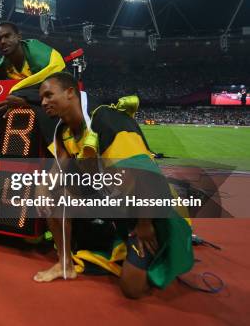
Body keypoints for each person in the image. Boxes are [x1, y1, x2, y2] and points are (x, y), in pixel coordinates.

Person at [33, 72, 194, 298]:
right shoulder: (64, 129)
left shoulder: (108, 122)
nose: (43, 103)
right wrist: (42, 188)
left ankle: (154, 252)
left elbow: (146, 177)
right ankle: (65, 263)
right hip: (113, 201)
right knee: (55, 196)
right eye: (41, 98)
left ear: (70, 93)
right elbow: (59, 165)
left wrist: (145, 224)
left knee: (132, 289)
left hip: (144, 207)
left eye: (49, 95)